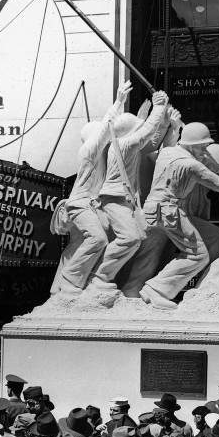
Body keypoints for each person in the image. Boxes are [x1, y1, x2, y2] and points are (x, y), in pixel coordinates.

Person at [122, 122, 219, 309]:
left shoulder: (168, 152)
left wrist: (205, 156)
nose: (205, 150)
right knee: (197, 254)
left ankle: (209, 286)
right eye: (203, 146)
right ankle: (155, 291)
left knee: (213, 235)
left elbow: (205, 160)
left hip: (158, 210)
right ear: (192, 145)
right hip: (169, 211)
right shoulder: (191, 165)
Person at [51, 80, 133, 296]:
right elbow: (106, 130)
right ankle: (69, 282)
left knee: (80, 245)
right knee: (97, 239)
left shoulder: (101, 155)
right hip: (81, 204)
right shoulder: (89, 151)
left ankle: (60, 286)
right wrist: (118, 103)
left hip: (89, 205)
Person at [87, 90, 170, 301]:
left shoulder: (122, 145)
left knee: (143, 236)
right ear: (130, 132)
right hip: (115, 200)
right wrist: (158, 105)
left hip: (125, 201)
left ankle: (112, 280)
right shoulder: (124, 145)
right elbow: (148, 131)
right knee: (131, 238)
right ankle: (99, 278)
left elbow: (149, 137)